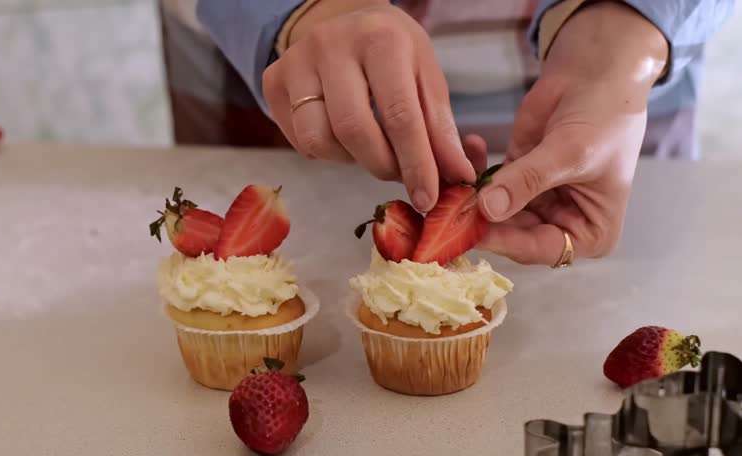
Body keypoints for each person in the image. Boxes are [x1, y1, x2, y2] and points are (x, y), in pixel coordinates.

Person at [161, 0, 734, 267]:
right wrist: (303, 11)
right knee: (247, 277)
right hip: (290, 74)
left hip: (619, 85)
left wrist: (623, 32)